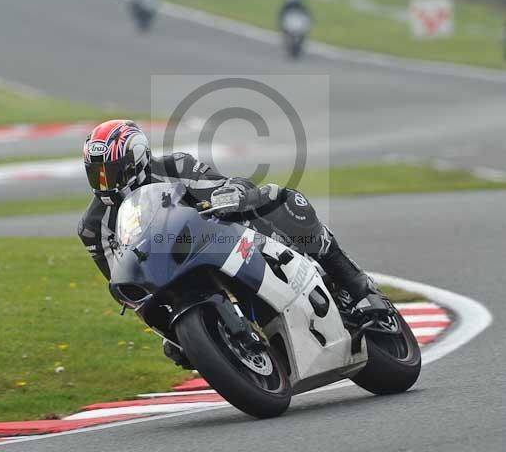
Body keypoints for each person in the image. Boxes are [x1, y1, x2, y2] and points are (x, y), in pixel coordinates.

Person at [78, 120, 390, 367]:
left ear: (136, 160)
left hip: (218, 236)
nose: (105, 182)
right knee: (158, 321)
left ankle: (356, 283)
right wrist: (177, 336)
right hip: (169, 269)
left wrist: (229, 195)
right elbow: (121, 277)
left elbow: (224, 184)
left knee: (274, 197)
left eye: (111, 173)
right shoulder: (93, 227)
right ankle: (218, 341)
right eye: (97, 175)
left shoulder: (174, 167)